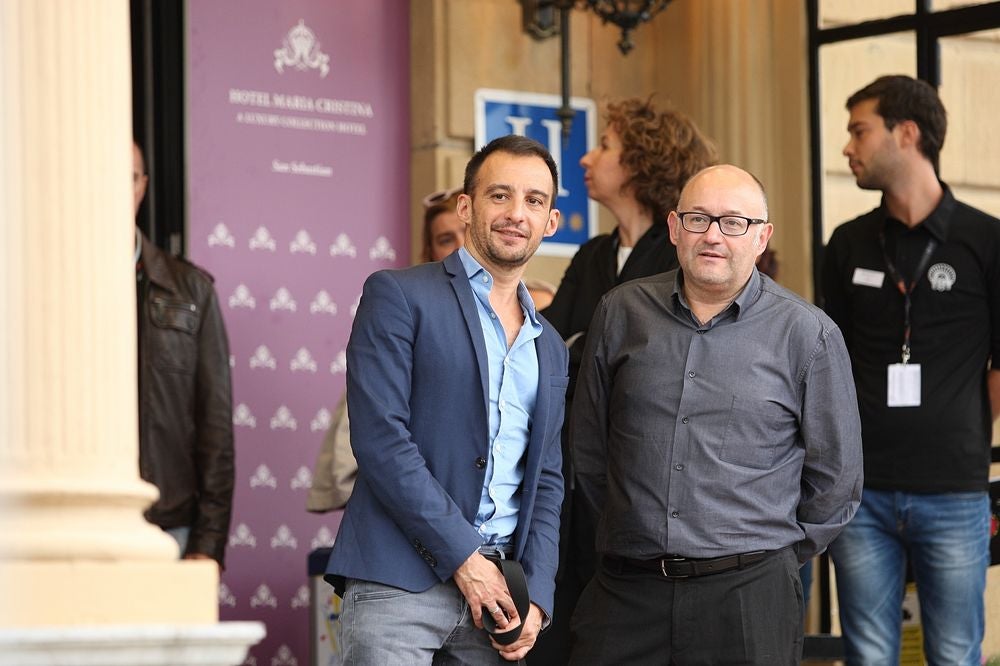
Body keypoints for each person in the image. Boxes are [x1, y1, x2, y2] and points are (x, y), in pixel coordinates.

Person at [569, 164, 863, 665]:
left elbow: (836, 480)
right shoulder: (621, 312)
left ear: (762, 237)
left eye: (734, 222)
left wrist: (769, 560)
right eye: (698, 218)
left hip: (748, 597)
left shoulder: (808, 335)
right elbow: (589, 451)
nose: (712, 236)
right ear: (673, 228)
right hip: (627, 593)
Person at [325, 135, 569, 663]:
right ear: (466, 207)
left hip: (500, 601)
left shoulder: (550, 345)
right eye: (499, 195)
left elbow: (547, 478)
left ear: (551, 222)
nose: (515, 213)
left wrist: (541, 597)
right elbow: (381, 441)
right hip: (398, 584)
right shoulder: (398, 295)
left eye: (534, 200)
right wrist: (465, 558)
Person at [822, 75, 1000, 666]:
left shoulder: (985, 240)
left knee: (954, 652)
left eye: (858, 130)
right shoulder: (847, 244)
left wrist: (958, 430)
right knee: (869, 654)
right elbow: (829, 364)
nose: (847, 147)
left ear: (907, 133)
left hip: (953, 490)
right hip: (860, 492)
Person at [532, 96, 717, 665]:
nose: (587, 158)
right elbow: (550, 353)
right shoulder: (593, 254)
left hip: (649, 483)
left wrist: (585, 347)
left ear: (642, 160)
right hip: (576, 472)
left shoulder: (682, 256)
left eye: (605, 145)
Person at [307, 189, 466, 514]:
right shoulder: (402, 311)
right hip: (413, 512)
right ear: (429, 249)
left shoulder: (527, 315)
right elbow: (369, 444)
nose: (460, 248)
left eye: (466, 232)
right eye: (447, 239)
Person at [133, 141, 235, 566]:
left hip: (170, 528)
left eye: (128, 176)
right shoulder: (49, 285)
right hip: (71, 528)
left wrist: (206, 544)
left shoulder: (190, 290)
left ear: (142, 186)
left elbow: (215, 425)